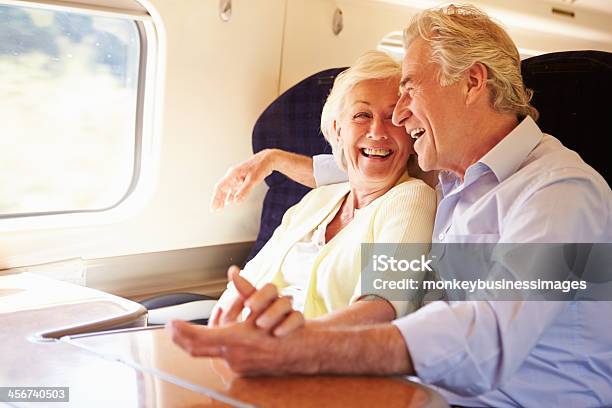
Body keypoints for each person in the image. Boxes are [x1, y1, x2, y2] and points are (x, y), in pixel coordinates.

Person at [170, 4, 612, 407]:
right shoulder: (454, 180)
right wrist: (274, 160)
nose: (398, 117)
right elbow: (358, 170)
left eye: (408, 90)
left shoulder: (561, 194)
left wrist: (306, 346)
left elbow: (489, 335)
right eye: (367, 112)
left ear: (472, 82)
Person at [207, 50, 436, 334]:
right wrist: (218, 332)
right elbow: (244, 284)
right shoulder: (316, 200)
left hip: (315, 358)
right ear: (338, 130)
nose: (377, 131)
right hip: (246, 345)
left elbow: (380, 307)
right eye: (362, 115)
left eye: (392, 118)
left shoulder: (412, 199)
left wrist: (291, 342)